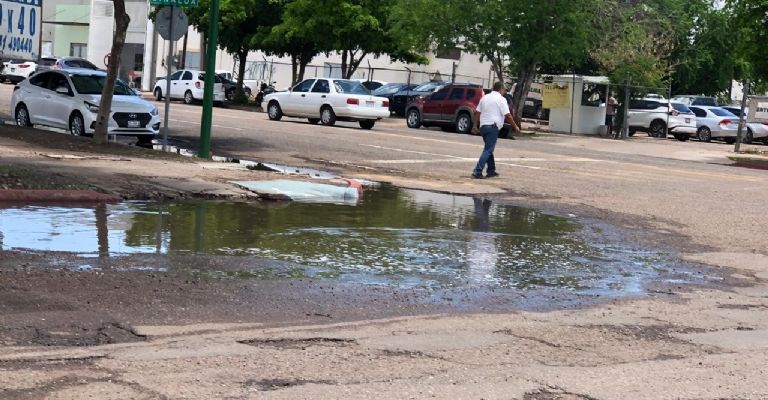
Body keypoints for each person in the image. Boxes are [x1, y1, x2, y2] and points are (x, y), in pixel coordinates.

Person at [471, 82, 520, 179]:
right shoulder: (501, 99)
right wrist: (515, 127)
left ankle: (491, 170)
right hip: (492, 126)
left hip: (483, 126)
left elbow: (477, 112)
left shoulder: (485, 97)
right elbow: (508, 115)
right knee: (488, 149)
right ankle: (477, 171)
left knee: (489, 148)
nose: (505, 91)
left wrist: (475, 126)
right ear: (500, 88)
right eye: (504, 89)